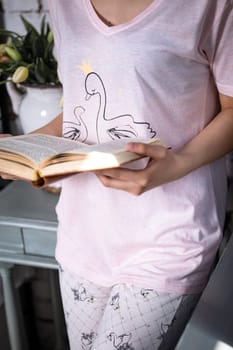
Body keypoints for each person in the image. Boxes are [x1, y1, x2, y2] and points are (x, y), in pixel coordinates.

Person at [2, 0, 233, 349]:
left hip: (169, 238)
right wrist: (27, 150)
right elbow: (78, 112)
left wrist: (179, 162)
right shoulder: (63, 4)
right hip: (84, 237)